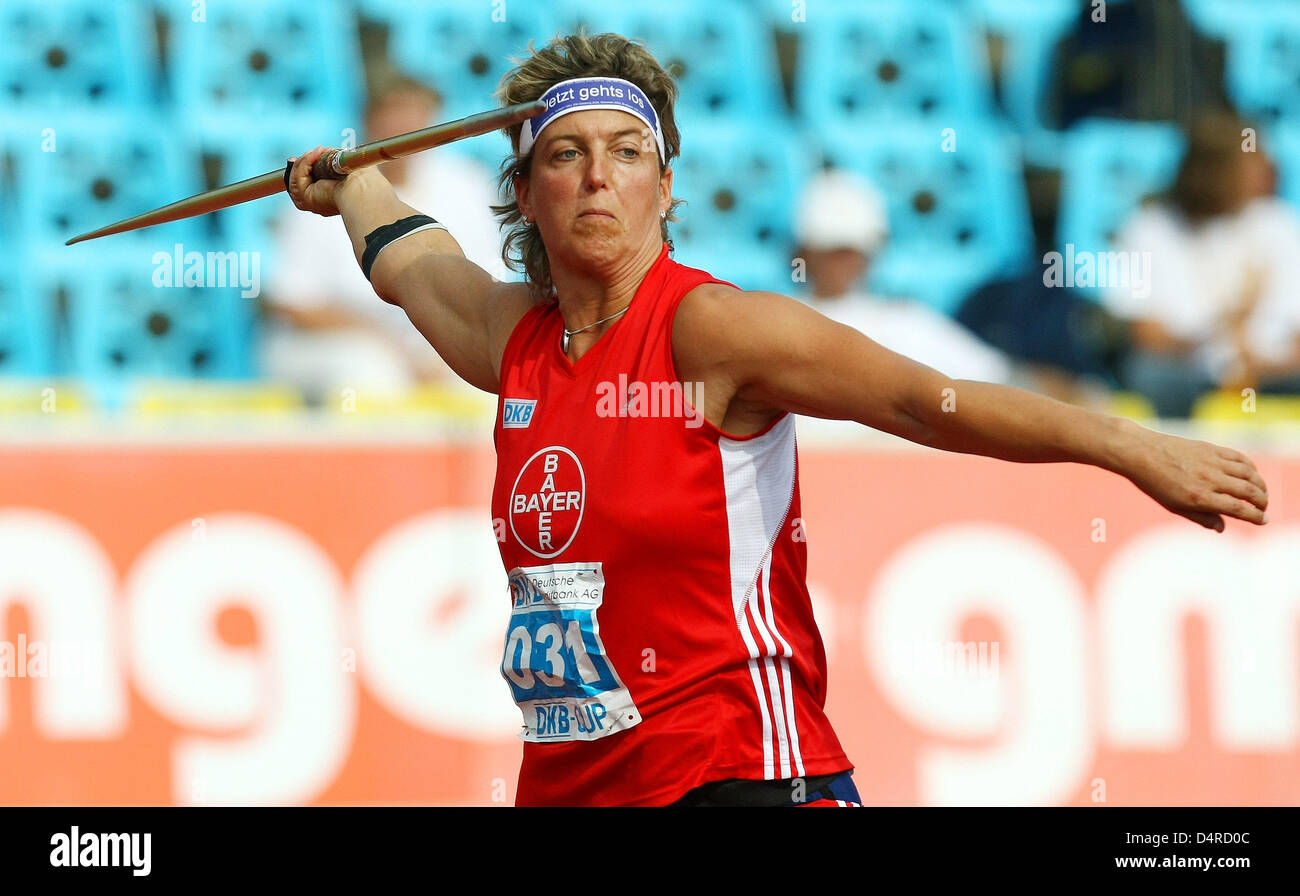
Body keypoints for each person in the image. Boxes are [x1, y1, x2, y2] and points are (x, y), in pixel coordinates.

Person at [285, 32, 1269, 807]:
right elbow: (412, 261)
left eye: (628, 153)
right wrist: (350, 183)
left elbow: (927, 400)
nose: (597, 176)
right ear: (525, 193)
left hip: (741, 775)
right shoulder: (511, 338)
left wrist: (1130, 442)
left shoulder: (711, 328)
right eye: (566, 155)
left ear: (663, 189)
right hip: (571, 789)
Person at [262, 71, 511, 404]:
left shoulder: (467, 185)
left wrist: (443, 347)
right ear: (369, 118)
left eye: (416, 114)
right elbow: (294, 303)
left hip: (436, 337)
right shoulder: (325, 185)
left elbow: (488, 286)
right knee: (370, 375)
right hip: (336, 343)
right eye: (393, 113)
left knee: (488, 379)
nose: (404, 126)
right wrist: (386, 343)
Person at [1105, 112, 1300, 417]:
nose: (1266, 170)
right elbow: (1146, 335)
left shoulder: (1279, 224)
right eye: (1249, 163)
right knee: (1153, 377)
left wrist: (1257, 364)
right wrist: (1219, 337)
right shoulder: (1150, 228)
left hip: (1273, 373)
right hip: (1189, 372)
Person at [793, 168, 1013, 386]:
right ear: (805, 252)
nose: (841, 262)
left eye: (850, 251)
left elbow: (998, 376)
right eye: (832, 251)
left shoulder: (908, 323)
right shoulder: (783, 324)